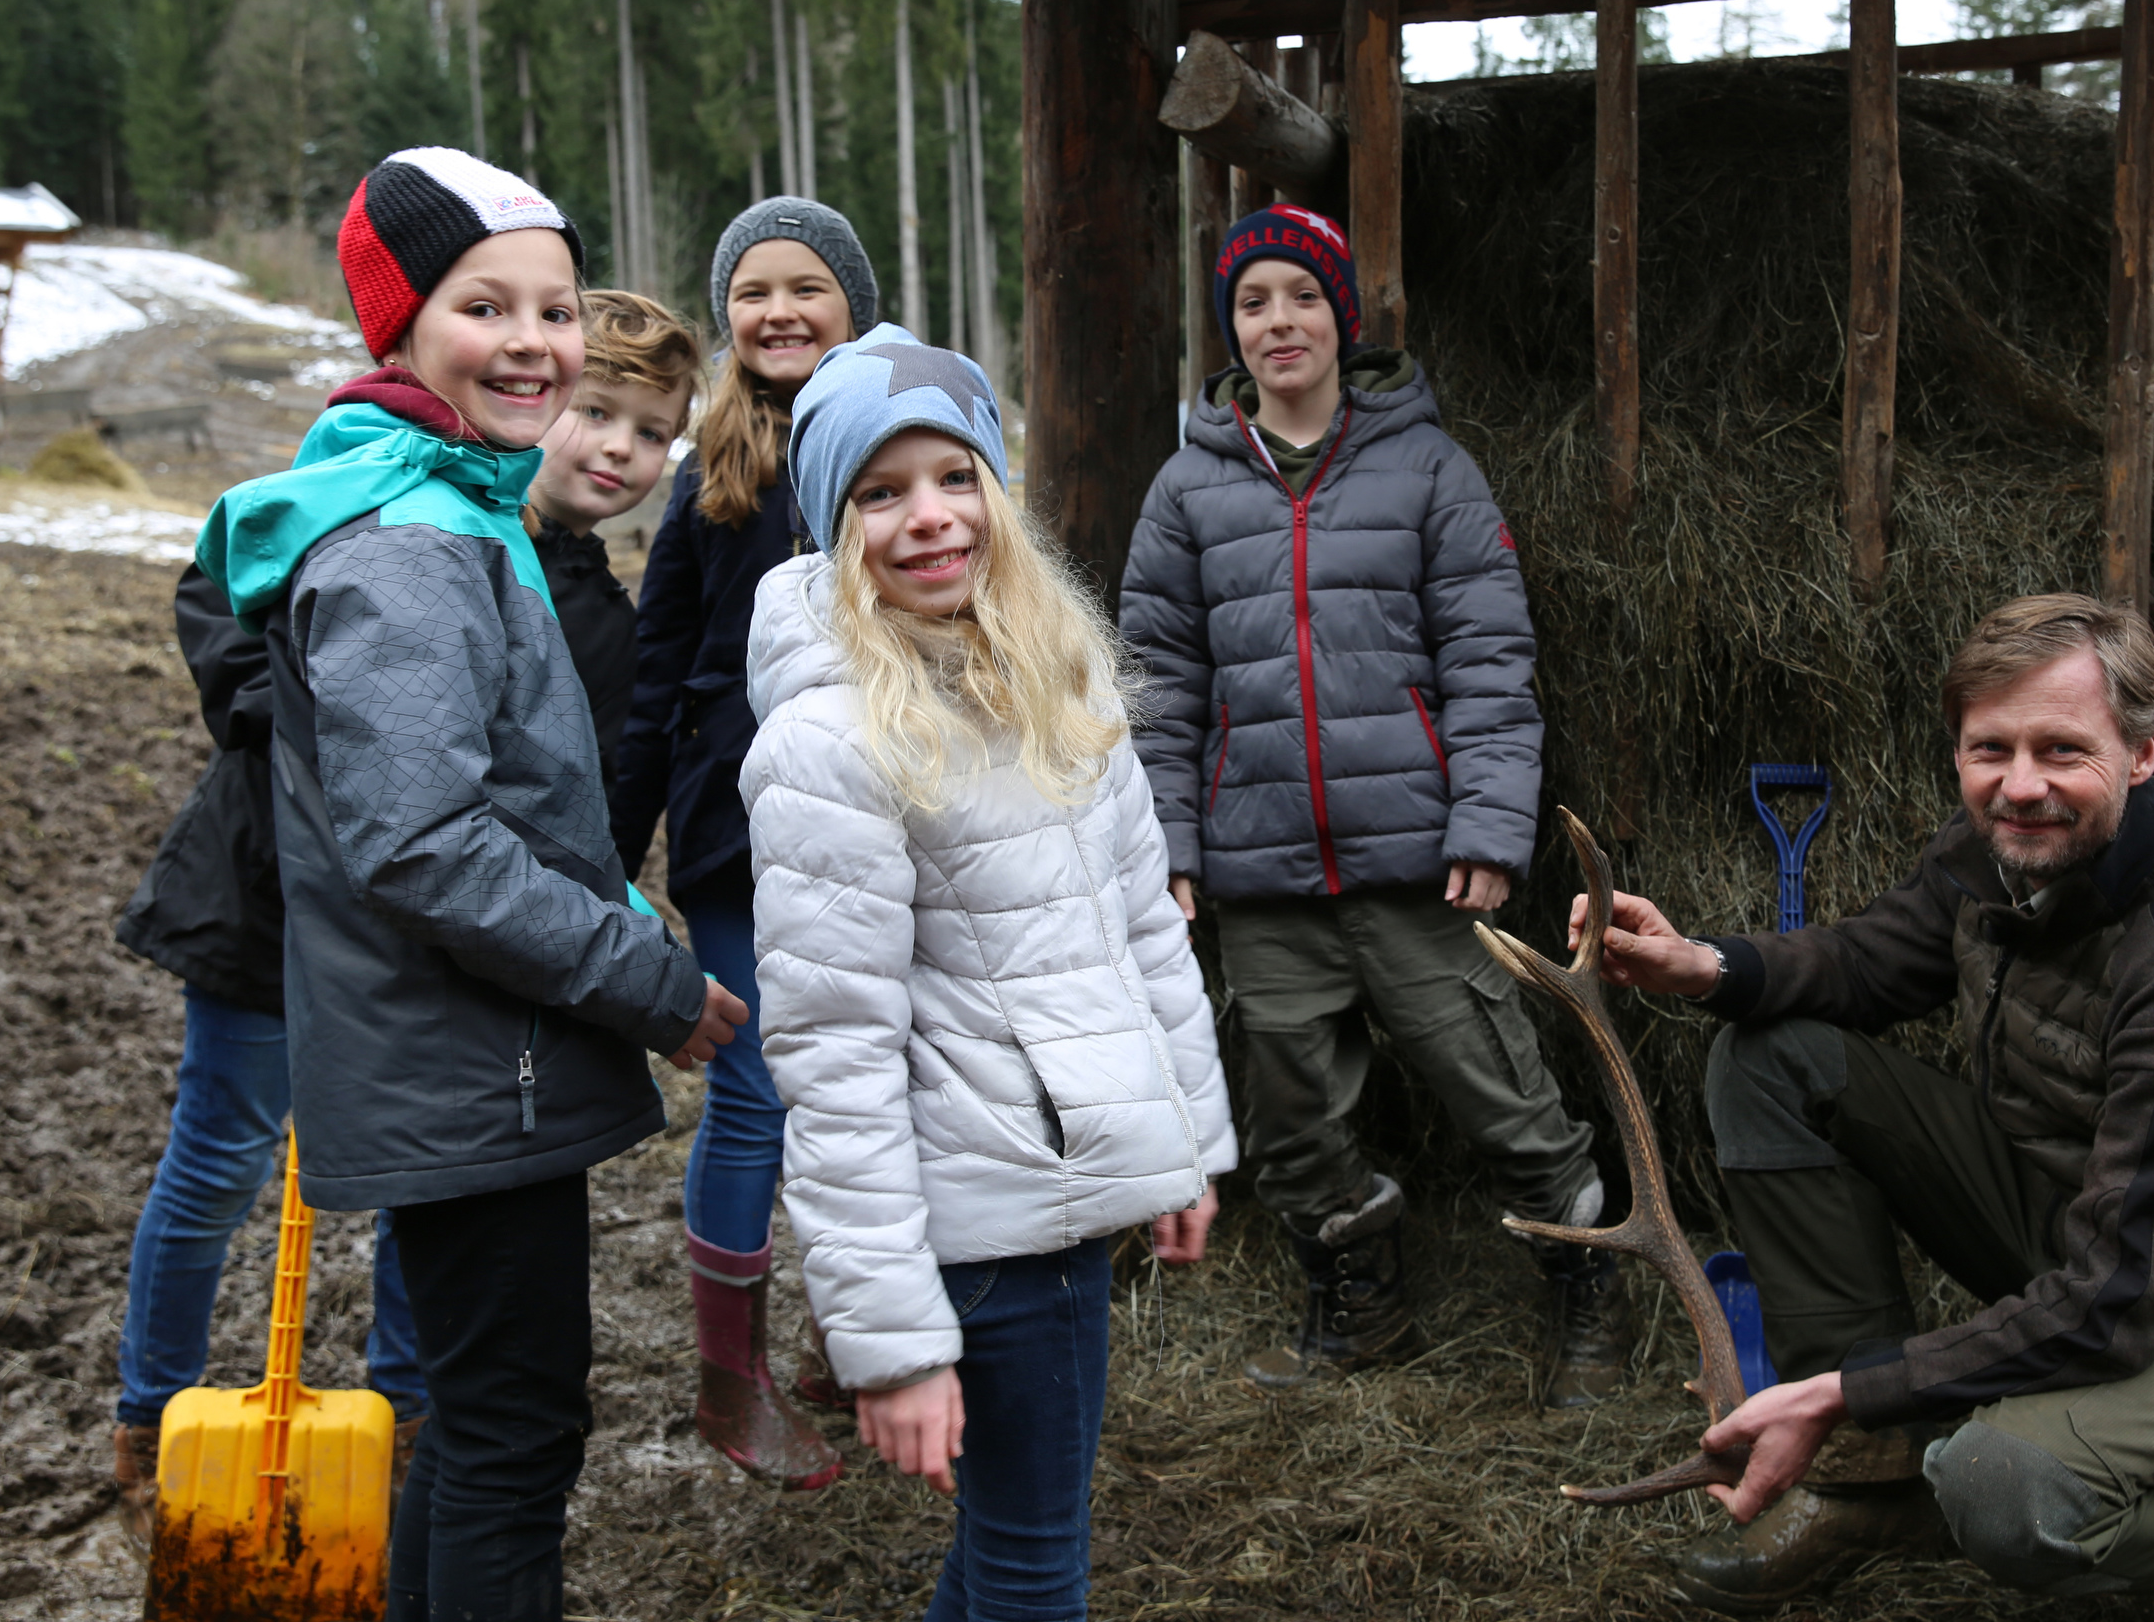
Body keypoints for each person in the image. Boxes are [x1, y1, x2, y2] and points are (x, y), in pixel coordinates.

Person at [1578, 594, 2154, 1617]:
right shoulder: (2011, 852)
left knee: (2003, 1485)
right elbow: (1875, 960)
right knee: (1769, 1057)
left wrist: (1850, 1385)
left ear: (2142, 755)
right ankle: (1870, 1478)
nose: (2019, 784)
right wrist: (1701, 964)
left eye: (2062, 749)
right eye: (1989, 748)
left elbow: (2113, 1301)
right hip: (2089, 1223)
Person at [195, 147, 745, 1620]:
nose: (532, 343)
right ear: (400, 326)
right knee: (514, 1439)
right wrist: (653, 980)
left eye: (556, 310)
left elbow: (519, 805)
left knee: (473, 1423)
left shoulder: (455, 501)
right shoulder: (408, 548)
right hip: (469, 1062)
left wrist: (622, 923)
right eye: (482, 305)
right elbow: (424, 842)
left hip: (468, 1055)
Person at [742, 326, 1234, 1620]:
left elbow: (1138, 931)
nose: (927, 519)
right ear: (833, 526)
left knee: (1015, 1553)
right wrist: (896, 1349)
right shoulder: (829, 743)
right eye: (879, 493)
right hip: (977, 1234)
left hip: (1057, 1202)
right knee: (1031, 1569)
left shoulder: (1057, 681)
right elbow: (834, 1061)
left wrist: (1184, 1147)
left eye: (953, 478)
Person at [1117, 203, 1628, 1408]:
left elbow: (1490, 660)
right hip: (1261, 870)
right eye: (1253, 303)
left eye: (1301, 296)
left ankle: (1590, 1291)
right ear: (1230, 331)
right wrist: (1172, 842)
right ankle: (1361, 1304)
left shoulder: (1427, 469)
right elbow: (1155, 686)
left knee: (1503, 1091)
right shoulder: (1187, 488)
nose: (1278, 320)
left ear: (1342, 319)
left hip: (1417, 864)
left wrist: (1491, 827)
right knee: (1292, 1111)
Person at [612, 198, 879, 1488]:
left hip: (881, 819)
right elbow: (656, 667)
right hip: (737, 832)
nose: (778, 310)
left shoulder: (899, 444)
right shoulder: (711, 474)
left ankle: (853, 1334)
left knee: (871, 1079)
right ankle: (734, 1380)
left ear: (853, 304)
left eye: (805, 286)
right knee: (759, 1087)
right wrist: (613, 860)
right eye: (753, 290)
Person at [109, 574, 427, 1548]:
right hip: (260, 891)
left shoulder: (483, 522)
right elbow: (219, 624)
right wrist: (308, 706)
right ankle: (151, 1414)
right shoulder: (286, 515)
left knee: (420, 1162)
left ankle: (407, 1413)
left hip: (407, 919)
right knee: (216, 1159)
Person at [525, 287, 696, 794]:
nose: (620, 447)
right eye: (596, 412)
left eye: (651, 434)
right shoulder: (465, 549)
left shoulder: (610, 616)